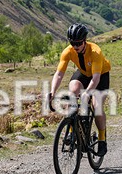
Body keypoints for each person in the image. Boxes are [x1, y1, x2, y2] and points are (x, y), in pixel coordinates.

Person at [48, 23, 111, 156]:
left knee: (96, 106)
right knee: (73, 93)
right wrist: (52, 92)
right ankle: (72, 131)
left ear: (84, 41)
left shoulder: (95, 52)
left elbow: (95, 78)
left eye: (78, 43)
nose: (75, 46)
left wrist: (87, 93)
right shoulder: (68, 51)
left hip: (100, 75)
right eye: (72, 43)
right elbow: (59, 74)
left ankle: (102, 139)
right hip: (83, 73)